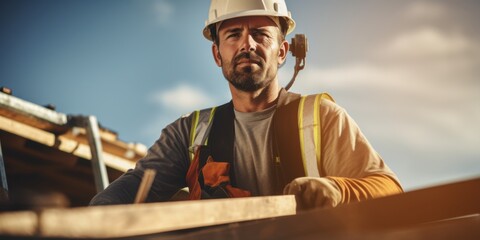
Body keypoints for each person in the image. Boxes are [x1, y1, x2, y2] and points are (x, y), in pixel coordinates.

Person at [90, 0, 403, 210]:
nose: (247, 44)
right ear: (217, 55)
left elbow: (387, 188)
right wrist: (94, 217)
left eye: (259, 34)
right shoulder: (189, 132)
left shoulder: (321, 118)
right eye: (234, 34)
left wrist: (337, 190)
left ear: (282, 52)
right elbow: (135, 187)